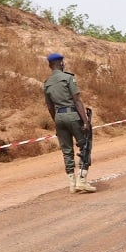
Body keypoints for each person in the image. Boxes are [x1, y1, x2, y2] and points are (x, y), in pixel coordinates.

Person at [43, 53, 95, 193]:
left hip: (59, 117)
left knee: (67, 151)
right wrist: (85, 121)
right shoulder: (68, 78)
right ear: (61, 64)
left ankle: (72, 184)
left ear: (49, 65)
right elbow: (77, 100)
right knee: (85, 145)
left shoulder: (47, 83)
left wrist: (57, 121)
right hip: (72, 115)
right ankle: (82, 180)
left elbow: (49, 107)